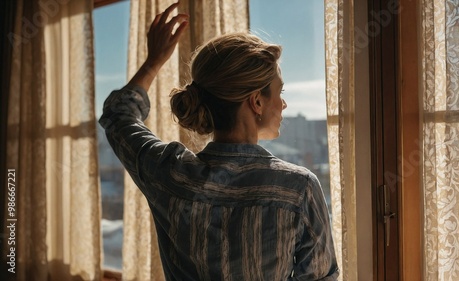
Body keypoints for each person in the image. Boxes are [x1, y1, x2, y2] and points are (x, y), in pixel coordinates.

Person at [99, 2, 338, 280]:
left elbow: (119, 115)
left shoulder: (169, 173)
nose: (283, 104)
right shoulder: (298, 188)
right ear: (257, 101)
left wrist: (154, 61)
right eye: (279, 91)